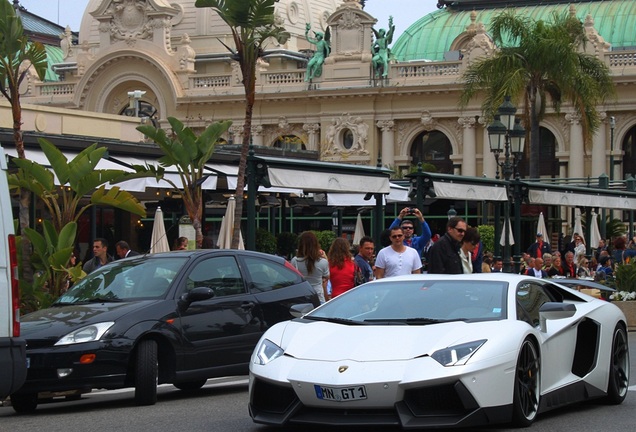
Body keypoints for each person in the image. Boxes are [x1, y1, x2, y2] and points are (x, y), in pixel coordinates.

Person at [291, 231, 330, 303]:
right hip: (318, 297)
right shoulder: (322, 262)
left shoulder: (295, 261)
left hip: (302, 298)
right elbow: (327, 276)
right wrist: (325, 257)